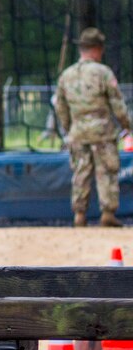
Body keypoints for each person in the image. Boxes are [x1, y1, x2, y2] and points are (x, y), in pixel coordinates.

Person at [54, 27, 133, 228]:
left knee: (81, 171)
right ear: (97, 49)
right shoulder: (103, 73)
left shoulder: (66, 75)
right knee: (106, 170)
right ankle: (107, 212)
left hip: (78, 132)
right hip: (102, 132)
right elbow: (118, 104)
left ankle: (79, 214)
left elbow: (61, 108)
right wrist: (127, 126)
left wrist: (69, 128)